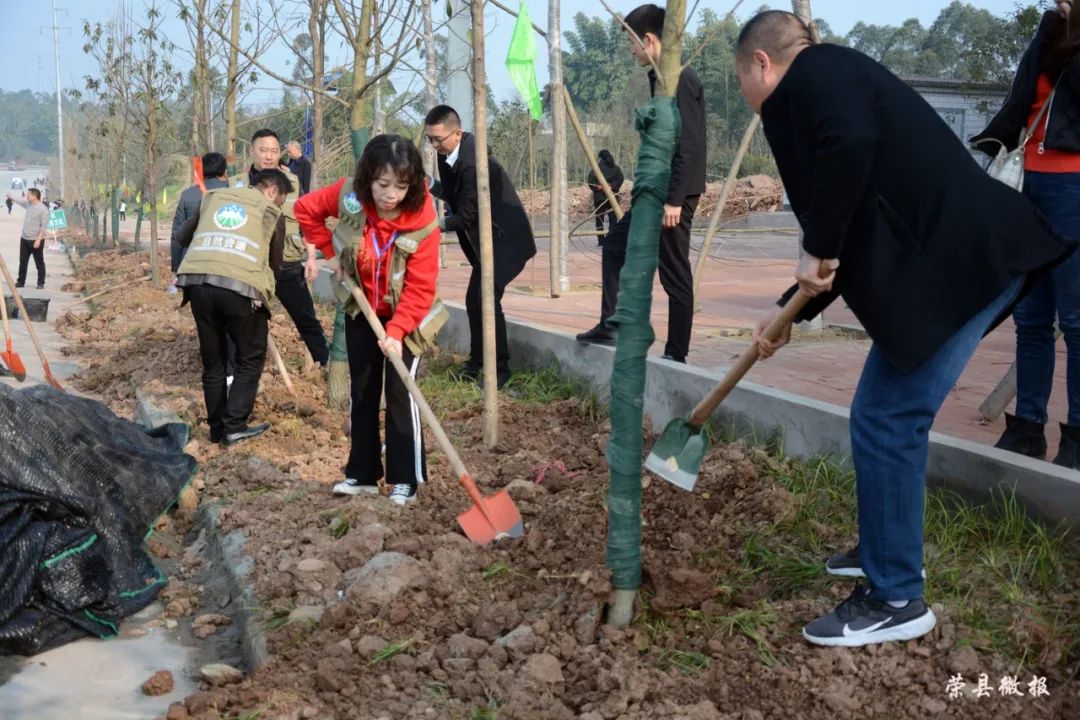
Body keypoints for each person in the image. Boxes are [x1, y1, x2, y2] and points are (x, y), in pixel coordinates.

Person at [735, 10, 1074, 648]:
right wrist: (789, 314)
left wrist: (815, 242)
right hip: (961, 264)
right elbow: (848, 228)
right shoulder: (835, 85)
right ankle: (886, 552)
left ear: (762, 63)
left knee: (888, 417)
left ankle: (895, 597)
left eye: (742, 85)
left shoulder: (815, 75)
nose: (750, 104)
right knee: (882, 413)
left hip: (962, 267)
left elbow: (848, 160)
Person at [294, 135, 444, 505]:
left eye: (401, 186)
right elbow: (305, 209)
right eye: (382, 185)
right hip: (362, 308)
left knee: (399, 392)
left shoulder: (423, 221)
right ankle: (361, 473)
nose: (390, 194)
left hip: (407, 317)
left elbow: (421, 288)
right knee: (362, 391)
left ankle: (405, 479)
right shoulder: (350, 197)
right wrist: (331, 253)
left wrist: (396, 332)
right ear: (368, 179)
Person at [972, 0, 1080, 469]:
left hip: (1073, 185)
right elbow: (1020, 100)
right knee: (1031, 317)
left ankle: (1076, 438)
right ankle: (1028, 429)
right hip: (1025, 180)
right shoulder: (1049, 27)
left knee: (1076, 320)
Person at [576, 4, 706, 363]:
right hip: (655, 192)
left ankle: (675, 355)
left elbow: (688, 143)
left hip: (673, 195)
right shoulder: (661, 78)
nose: (631, 50)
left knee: (674, 273)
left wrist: (675, 200)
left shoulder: (681, 80)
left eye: (633, 43)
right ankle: (612, 325)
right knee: (615, 247)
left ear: (649, 39)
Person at [174, 169, 292, 446]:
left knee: (213, 361)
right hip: (241, 288)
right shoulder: (270, 211)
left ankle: (216, 429)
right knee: (250, 358)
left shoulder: (212, 197)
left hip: (197, 283)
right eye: (281, 200)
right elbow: (274, 264)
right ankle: (234, 425)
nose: (279, 206)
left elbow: (182, 236)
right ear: (273, 191)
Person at [424, 105, 536, 388]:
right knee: (474, 300)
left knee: (485, 299)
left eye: (438, 139)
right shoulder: (449, 154)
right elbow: (451, 194)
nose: (434, 145)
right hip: (488, 243)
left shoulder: (475, 163)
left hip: (505, 241)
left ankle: (499, 371)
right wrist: (427, 184)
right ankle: (477, 364)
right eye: (430, 139)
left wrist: (432, 226)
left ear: (457, 133)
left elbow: (466, 215)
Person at [231, 129, 329, 367]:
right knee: (242, 322)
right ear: (252, 151)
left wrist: (311, 258)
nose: (269, 156)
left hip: (287, 263)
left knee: (307, 318)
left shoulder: (293, 182)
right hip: (250, 268)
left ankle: (326, 365)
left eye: (274, 151)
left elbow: (306, 220)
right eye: (263, 150)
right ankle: (238, 373)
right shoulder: (237, 185)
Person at [171, 152, 230, 293]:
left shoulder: (188, 195)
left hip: (194, 267)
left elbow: (177, 236)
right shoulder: (235, 193)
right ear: (225, 172)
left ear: (201, 171)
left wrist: (176, 268)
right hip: (227, 267)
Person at [6, 188, 48, 289]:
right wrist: (10, 196)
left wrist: (38, 240)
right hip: (24, 239)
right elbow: (20, 201)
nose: (27, 196)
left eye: (29, 195)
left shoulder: (43, 209)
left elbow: (43, 227)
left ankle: (40, 283)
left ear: (35, 196)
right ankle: (21, 281)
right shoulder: (29, 205)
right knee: (23, 261)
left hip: (36, 240)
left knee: (39, 262)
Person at [587, 149, 624, 245]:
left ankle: (601, 241)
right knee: (613, 219)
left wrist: (599, 187)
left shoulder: (596, 169)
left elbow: (590, 181)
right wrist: (612, 186)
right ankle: (612, 239)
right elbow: (620, 178)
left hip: (599, 197)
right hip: (613, 196)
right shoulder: (616, 168)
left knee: (599, 219)